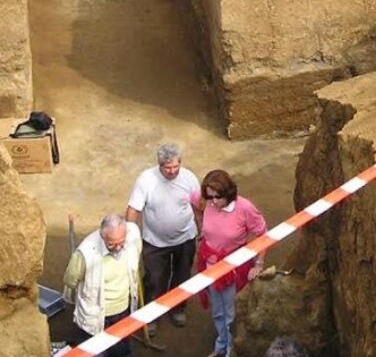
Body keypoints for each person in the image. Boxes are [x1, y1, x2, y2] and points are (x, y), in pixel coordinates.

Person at [191, 169, 268, 357]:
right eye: (210, 198)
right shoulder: (205, 200)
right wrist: (201, 225)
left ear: (228, 193)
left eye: (217, 198)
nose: (213, 202)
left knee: (231, 312)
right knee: (218, 310)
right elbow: (193, 201)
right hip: (210, 265)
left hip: (233, 268)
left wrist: (259, 263)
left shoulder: (245, 208)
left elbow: (263, 234)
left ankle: (231, 351)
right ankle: (222, 344)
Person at [126, 143, 200, 329]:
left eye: (176, 166)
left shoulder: (189, 178)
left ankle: (177, 308)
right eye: (167, 167)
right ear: (159, 164)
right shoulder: (146, 180)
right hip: (155, 242)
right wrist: (130, 235)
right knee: (154, 279)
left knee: (182, 275)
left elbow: (197, 207)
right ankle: (151, 315)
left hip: (185, 238)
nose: (172, 171)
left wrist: (203, 229)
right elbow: (134, 209)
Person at [63, 214, 143, 357]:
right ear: (102, 235)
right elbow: (70, 280)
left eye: (121, 243)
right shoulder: (85, 253)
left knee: (122, 352)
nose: (118, 248)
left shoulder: (133, 235)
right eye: (112, 244)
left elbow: (136, 251)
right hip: (94, 318)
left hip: (122, 313)